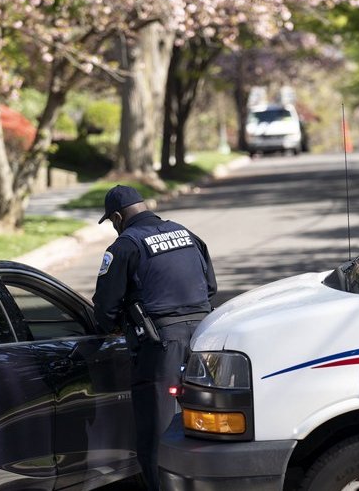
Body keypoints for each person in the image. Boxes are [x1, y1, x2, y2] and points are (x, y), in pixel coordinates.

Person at [92, 184, 216, 490]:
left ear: (119, 217)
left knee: (155, 430)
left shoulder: (125, 246)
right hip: (206, 337)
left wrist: (114, 325)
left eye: (112, 222)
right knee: (207, 420)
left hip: (161, 345)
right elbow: (210, 286)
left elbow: (105, 309)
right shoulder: (186, 234)